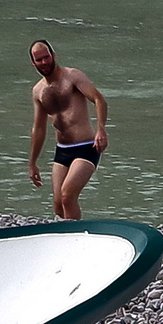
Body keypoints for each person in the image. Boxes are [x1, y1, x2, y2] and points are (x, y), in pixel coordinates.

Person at [27, 39, 109, 219]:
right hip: (62, 150)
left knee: (67, 195)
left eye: (46, 57)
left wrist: (100, 129)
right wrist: (32, 162)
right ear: (33, 63)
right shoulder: (38, 91)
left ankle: (75, 239)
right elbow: (39, 128)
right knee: (58, 204)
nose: (44, 62)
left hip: (87, 147)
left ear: (53, 55)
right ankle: (66, 237)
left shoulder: (72, 76)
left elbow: (98, 100)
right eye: (39, 60)